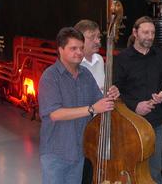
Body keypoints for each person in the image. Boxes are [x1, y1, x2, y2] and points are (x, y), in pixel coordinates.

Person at [38, 27, 120, 184]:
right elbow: (55, 114)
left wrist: (112, 94)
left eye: (81, 48)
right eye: (73, 48)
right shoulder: (50, 77)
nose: (79, 52)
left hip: (79, 151)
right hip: (56, 153)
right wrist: (92, 109)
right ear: (60, 50)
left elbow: (99, 100)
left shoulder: (85, 74)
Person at [113, 16, 162, 184]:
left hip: (156, 123)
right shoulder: (122, 58)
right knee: (131, 166)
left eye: (152, 33)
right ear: (135, 32)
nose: (150, 36)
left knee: (154, 169)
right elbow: (115, 90)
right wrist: (135, 105)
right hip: (131, 122)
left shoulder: (159, 56)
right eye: (145, 32)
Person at [74, 19, 105, 93]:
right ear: (79, 39)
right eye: (92, 37)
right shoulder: (73, 63)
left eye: (98, 37)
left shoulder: (99, 59)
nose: (97, 41)